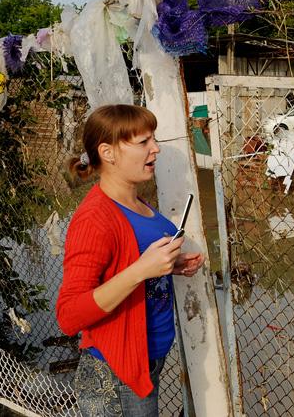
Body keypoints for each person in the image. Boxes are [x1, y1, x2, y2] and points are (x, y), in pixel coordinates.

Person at [57, 104, 204, 416]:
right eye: (143, 142)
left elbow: (127, 262)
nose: (156, 148)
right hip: (115, 373)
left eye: (154, 139)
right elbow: (69, 315)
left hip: (144, 362)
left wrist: (168, 266)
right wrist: (141, 270)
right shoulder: (94, 219)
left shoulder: (136, 202)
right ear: (108, 153)